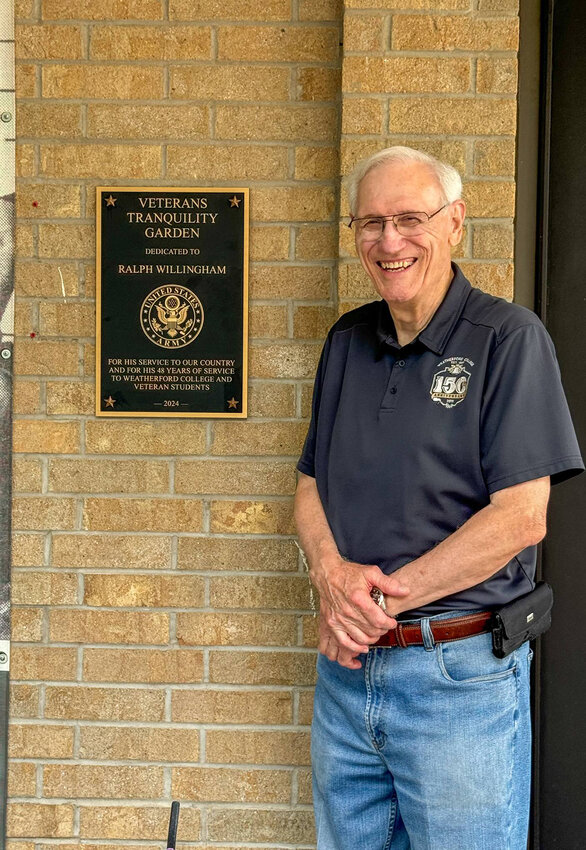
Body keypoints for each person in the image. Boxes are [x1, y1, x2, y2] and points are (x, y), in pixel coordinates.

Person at [294, 146, 583, 850]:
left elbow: (521, 517)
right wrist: (331, 577)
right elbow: (308, 487)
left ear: (454, 223)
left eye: (409, 219)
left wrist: (378, 604)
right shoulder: (345, 342)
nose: (388, 241)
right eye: (370, 223)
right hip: (347, 678)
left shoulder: (509, 340)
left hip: (458, 680)